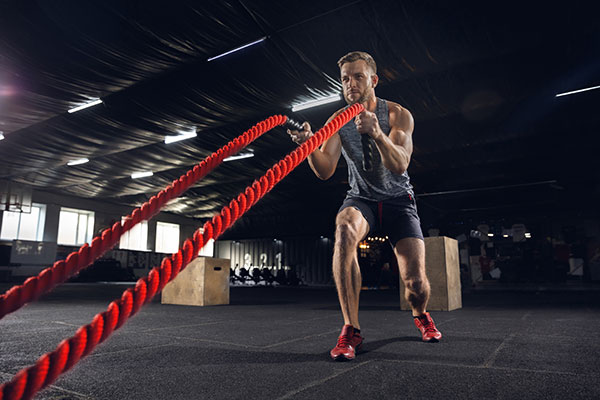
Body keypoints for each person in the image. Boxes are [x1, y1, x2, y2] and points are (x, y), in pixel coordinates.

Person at [287, 51, 442, 361]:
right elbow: (325, 170)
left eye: (358, 77)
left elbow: (400, 164)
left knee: (415, 284)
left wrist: (376, 133)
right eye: (345, 79)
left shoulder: (397, 114)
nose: (351, 84)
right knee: (344, 228)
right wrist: (308, 146)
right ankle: (351, 328)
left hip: (399, 201)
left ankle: (421, 314)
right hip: (362, 199)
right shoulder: (337, 121)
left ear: (374, 80)